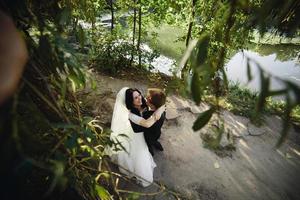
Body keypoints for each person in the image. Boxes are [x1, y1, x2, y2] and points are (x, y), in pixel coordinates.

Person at [109, 87, 165, 187]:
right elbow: (147, 124)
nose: (140, 98)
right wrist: (157, 112)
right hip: (138, 135)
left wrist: (161, 108)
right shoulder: (131, 114)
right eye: (136, 98)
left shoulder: (143, 101)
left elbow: (161, 102)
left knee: (153, 138)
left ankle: (153, 142)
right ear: (131, 101)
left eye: (139, 95)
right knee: (140, 154)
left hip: (152, 132)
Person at [129, 88, 166, 156]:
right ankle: (155, 143)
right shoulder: (162, 110)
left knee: (148, 142)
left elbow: (139, 128)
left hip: (149, 136)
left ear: (152, 105)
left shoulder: (147, 115)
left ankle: (149, 146)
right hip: (157, 132)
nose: (145, 98)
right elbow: (163, 105)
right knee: (154, 139)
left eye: (147, 98)